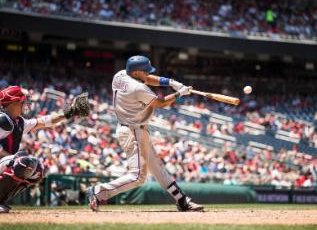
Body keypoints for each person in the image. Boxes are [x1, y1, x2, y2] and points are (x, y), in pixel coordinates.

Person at [87, 55, 203, 212]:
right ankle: (98, 192)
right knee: (138, 177)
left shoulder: (120, 74)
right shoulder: (138, 88)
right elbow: (160, 104)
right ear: (135, 73)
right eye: (145, 71)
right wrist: (179, 94)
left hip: (133, 128)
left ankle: (182, 200)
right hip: (133, 131)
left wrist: (171, 82)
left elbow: (148, 79)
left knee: (158, 168)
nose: (148, 74)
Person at [0, 86, 89, 213]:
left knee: (37, 170)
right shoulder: (3, 119)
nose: (25, 104)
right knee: (23, 162)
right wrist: (13, 157)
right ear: (13, 103)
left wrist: (70, 112)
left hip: (3, 162)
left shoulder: (18, 121)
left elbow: (45, 121)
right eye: (22, 101)